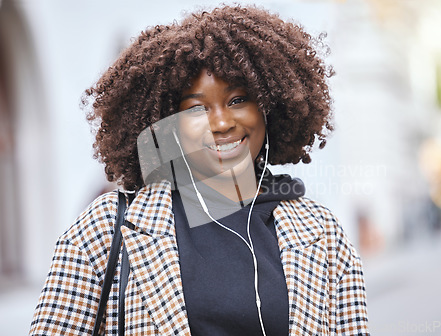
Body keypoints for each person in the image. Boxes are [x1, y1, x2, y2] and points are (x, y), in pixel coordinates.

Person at [30, 5, 370, 336]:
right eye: (196, 109)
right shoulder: (105, 230)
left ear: (269, 106)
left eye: (238, 100)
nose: (221, 123)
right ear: (168, 125)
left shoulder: (324, 236)